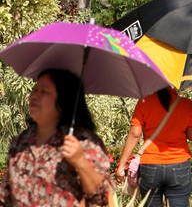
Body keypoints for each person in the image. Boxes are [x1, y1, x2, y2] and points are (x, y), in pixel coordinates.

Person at [0, 68, 113, 206]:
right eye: (35, 90)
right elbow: (6, 195)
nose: (34, 96)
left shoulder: (84, 141)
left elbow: (103, 197)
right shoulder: (21, 141)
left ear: (63, 101)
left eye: (44, 91)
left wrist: (80, 161)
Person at [115, 87, 192, 207]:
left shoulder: (144, 102)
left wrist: (121, 166)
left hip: (150, 165)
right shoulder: (186, 104)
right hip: (179, 164)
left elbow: (135, 134)